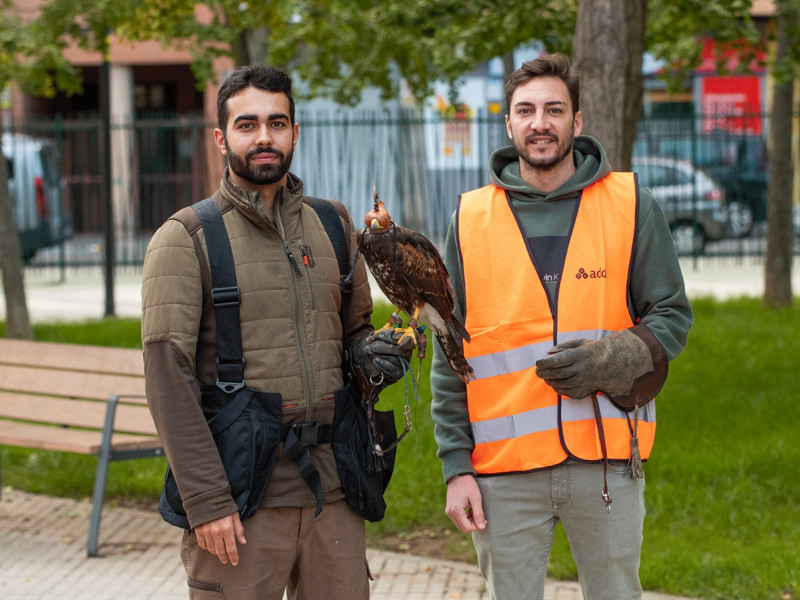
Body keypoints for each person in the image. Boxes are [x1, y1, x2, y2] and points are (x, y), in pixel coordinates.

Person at [142, 65, 412, 600]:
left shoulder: (334, 225)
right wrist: (207, 501)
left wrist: (372, 353)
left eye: (277, 122)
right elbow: (167, 383)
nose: (264, 137)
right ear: (221, 138)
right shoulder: (186, 237)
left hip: (335, 489)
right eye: (247, 125)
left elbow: (353, 330)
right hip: (241, 498)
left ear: (294, 131)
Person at [430, 53, 693, 600]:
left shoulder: (630, 205)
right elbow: (448, 349)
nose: (539, 122)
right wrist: (457, 467)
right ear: (508, 123)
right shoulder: (470, 219)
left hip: (606, 464)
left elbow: (671, 314)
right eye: (525, 110)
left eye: (554, 109)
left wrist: (614, 357)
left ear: (577, 121)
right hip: (502, 473)